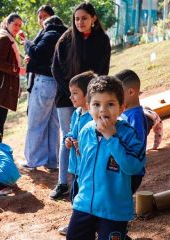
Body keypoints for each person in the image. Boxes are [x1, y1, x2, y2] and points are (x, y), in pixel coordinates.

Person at [66, 76, 145, 239]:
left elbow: (134, 167)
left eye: (110, 104)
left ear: (121, 108)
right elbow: (83, 166)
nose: (102, 110)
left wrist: (111, 137)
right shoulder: (85, 131)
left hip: (113, 209)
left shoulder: (128, 134)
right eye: (96, 104)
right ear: (88, 107)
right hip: (84, 204)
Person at [50, 2, 111, 200]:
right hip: (66, 96)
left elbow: (103, 71)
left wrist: (91, 97)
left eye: (84, 18)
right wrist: (72, 93)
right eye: (77, 19)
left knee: (91, 137)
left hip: (92, 99)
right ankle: (62, 183)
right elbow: (56, 68)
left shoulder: (102, 40)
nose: (80, 22)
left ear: (93, 18)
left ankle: (87, 179)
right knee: (68, 137)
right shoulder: (66, 39)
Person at [21, 15, 68, 171]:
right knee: (53, 124)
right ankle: (52, 161)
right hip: (59, 84)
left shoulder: (50, 34)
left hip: (44, 82)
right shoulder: (67, 36)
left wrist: (27, 44)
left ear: (49, 25)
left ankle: (33, 160)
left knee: (36, 123)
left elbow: (37, 52)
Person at [55, 71, 95, 236]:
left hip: (88, 169)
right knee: (75, 198)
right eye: (70, 93)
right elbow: (71, 132)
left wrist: (81, 145)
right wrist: (68, 139)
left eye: (75, 93)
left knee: (86, 199)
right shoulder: (76, 113)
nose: (70, 97)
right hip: (76, 167)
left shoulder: (93, 117)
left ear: (87, 95)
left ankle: (87, 227)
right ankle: (77, 224)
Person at [115, 69, 148, 194]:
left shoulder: (136, 117)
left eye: (118, 94)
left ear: (131, 92)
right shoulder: (125, 113)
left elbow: (136, 145)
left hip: (131, 173)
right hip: (123, 169)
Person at [25, 5, 55, 94]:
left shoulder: (52, 33)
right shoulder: (41, 32)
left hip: (47, 78)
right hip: (36, 77)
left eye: (45, 16)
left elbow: (40, 53)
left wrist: (27, 43)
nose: (42, 19)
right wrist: (28, 56)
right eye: (40, 17)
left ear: (52, 16)